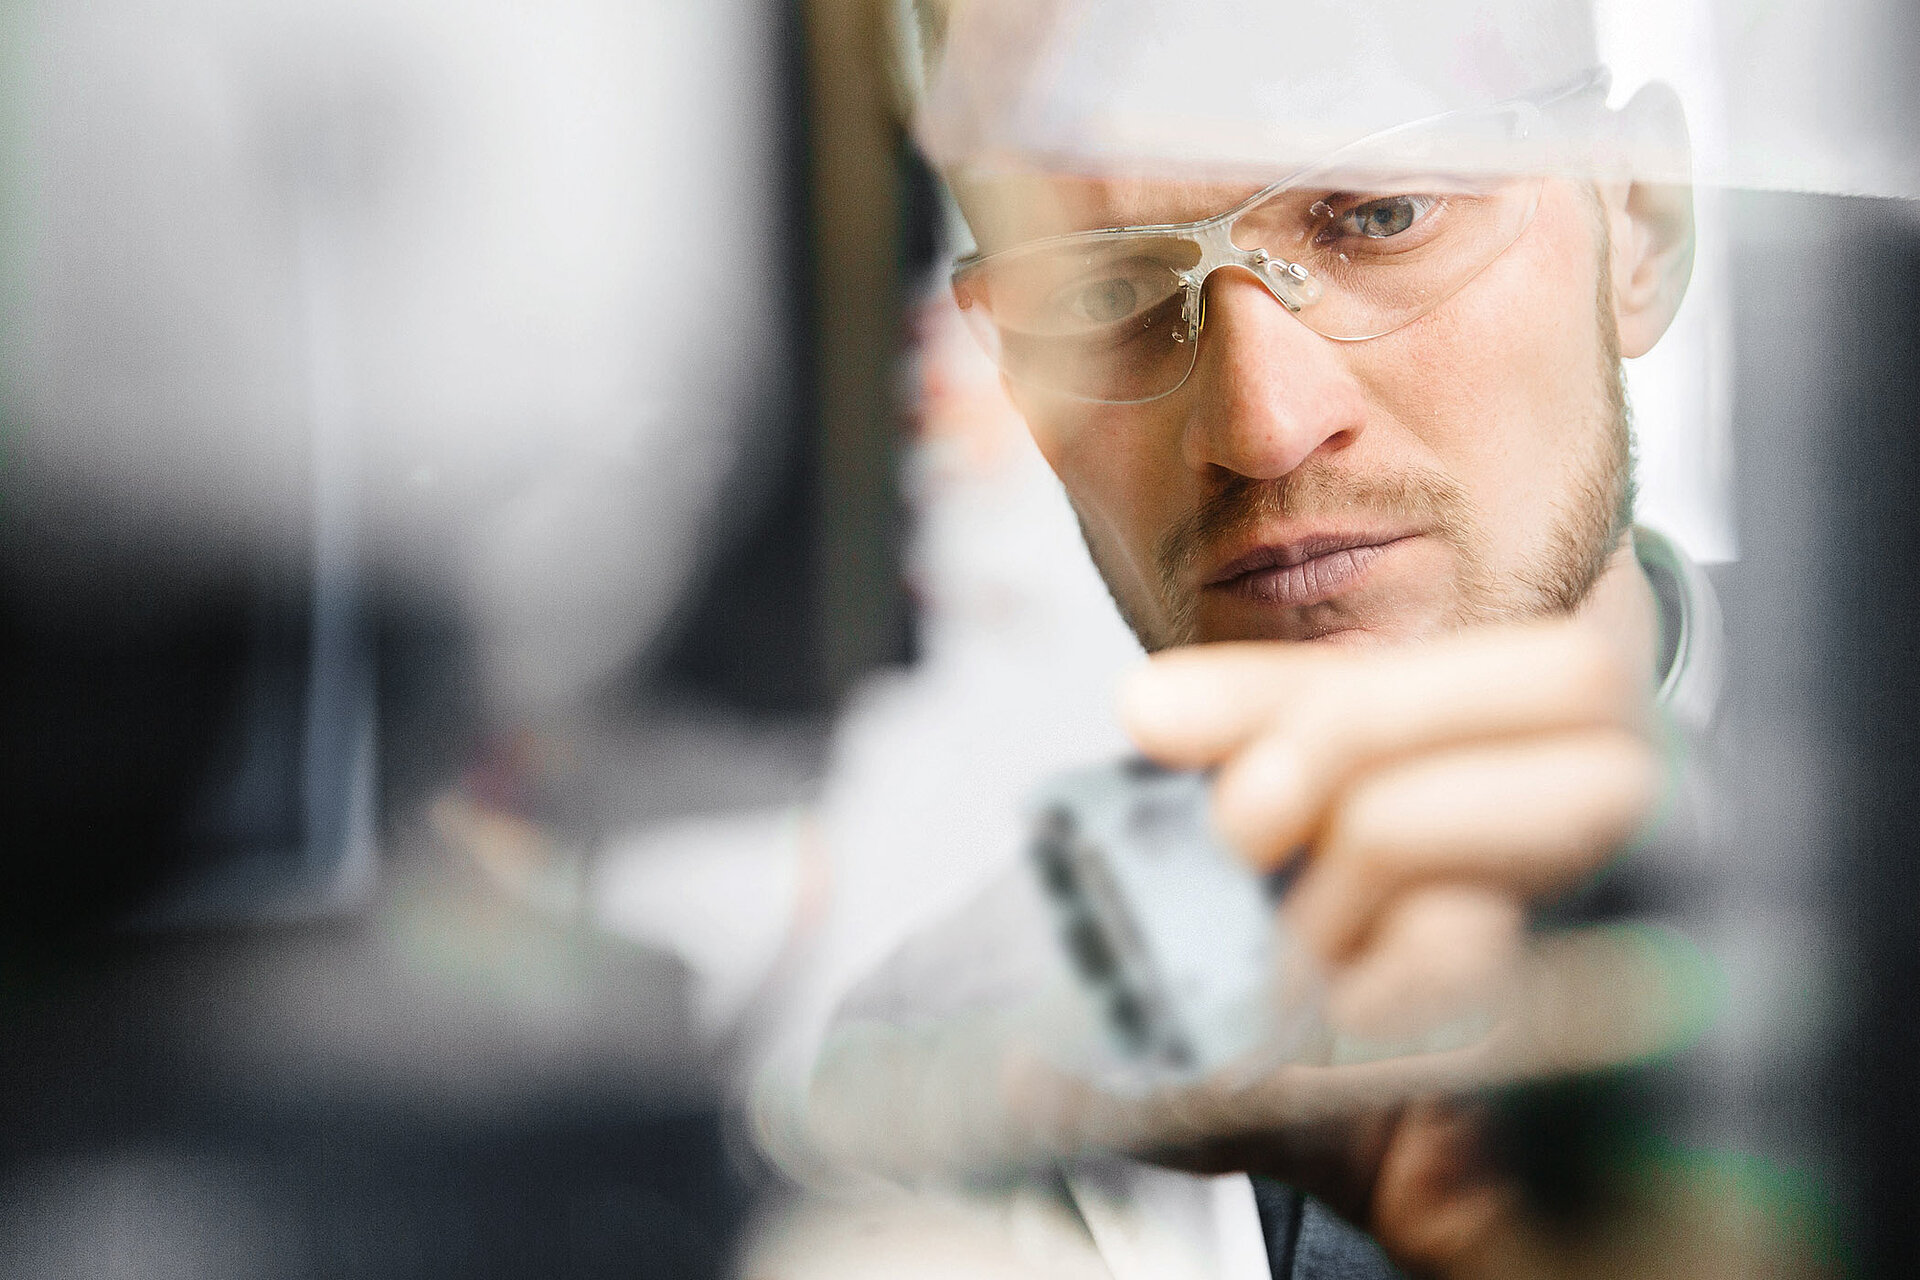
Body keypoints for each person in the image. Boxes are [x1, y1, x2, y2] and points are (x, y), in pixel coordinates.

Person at [758, 2, 1754, 1276]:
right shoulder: (942, 1101)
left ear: (1641, 223)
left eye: (1381, 215)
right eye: (1107, 291)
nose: (1262, 423)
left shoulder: (1862, 899)